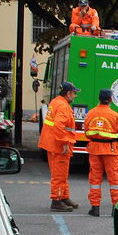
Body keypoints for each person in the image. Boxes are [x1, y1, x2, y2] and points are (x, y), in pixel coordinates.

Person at [83, 89, 118, 216]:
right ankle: (115, 207)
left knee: (95, 179)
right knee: (114, 180)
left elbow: (86, 132)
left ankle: (95, 208)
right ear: (111, 99)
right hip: (110, 150)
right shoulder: (114, 115)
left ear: (99, 98)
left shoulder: (91, 113)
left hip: (94, 149)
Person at [38, 82, 81, 212]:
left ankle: (63, 197)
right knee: (59, 175)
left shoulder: (56, 102)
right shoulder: (63, 106)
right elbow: (58, 125)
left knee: (62, 173)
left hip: (52, 144)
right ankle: (56, 201)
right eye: (74, 93)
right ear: (68, 93)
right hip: (59, 146)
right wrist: (64, 143)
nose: (75, 96)